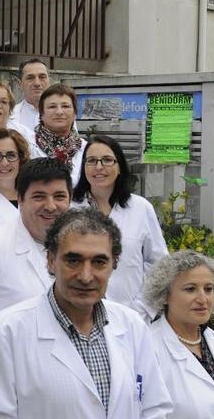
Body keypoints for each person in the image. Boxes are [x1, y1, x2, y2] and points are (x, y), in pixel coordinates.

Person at [0, 208, 173, 418]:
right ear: (51, 261)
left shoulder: (132, 325)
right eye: (73, 261)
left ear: (114, 264)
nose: (86, 276)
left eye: (99, 262)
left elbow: (154, 408)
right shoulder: (5, 332)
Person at [0, 157, 72, 346]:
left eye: (59, 196)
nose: (50, 206)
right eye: (39, 196)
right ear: (20, 199)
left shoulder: (77, 250)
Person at [144, 252, 214, 419]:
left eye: (208, 289)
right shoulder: (148, 347)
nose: (203, 299)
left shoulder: (211, 338)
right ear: (164, 295)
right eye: (190, 289)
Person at [73, 135, 168, 319]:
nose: (99, 167)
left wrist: (141, 309)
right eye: (91, 161)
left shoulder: (141, 208)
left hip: (135, 314)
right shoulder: (71, 209)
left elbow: (159, 264)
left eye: (107, 160)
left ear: (119, 168)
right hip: (80, 314)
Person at [30, 82, 86, 186]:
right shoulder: (27, 146)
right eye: (52, 107)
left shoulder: (86, 149)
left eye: (65, 106)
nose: (59, 112)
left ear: (75, 113)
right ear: (41, 114)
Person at [11, 58, 50, 131]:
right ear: (20, 84)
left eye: (42, 77)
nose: (37, 83)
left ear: (49, 81)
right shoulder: (10, 117)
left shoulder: (62, 114)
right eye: (30, 78)